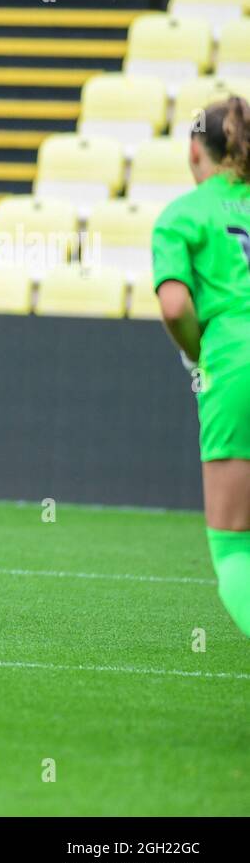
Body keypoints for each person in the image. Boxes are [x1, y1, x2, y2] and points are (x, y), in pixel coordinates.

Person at [154, 96, 250, 637]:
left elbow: (174, 305)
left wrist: (197, 350)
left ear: (196, 151)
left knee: (235, 545)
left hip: (236, 361)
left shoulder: (184, 214)